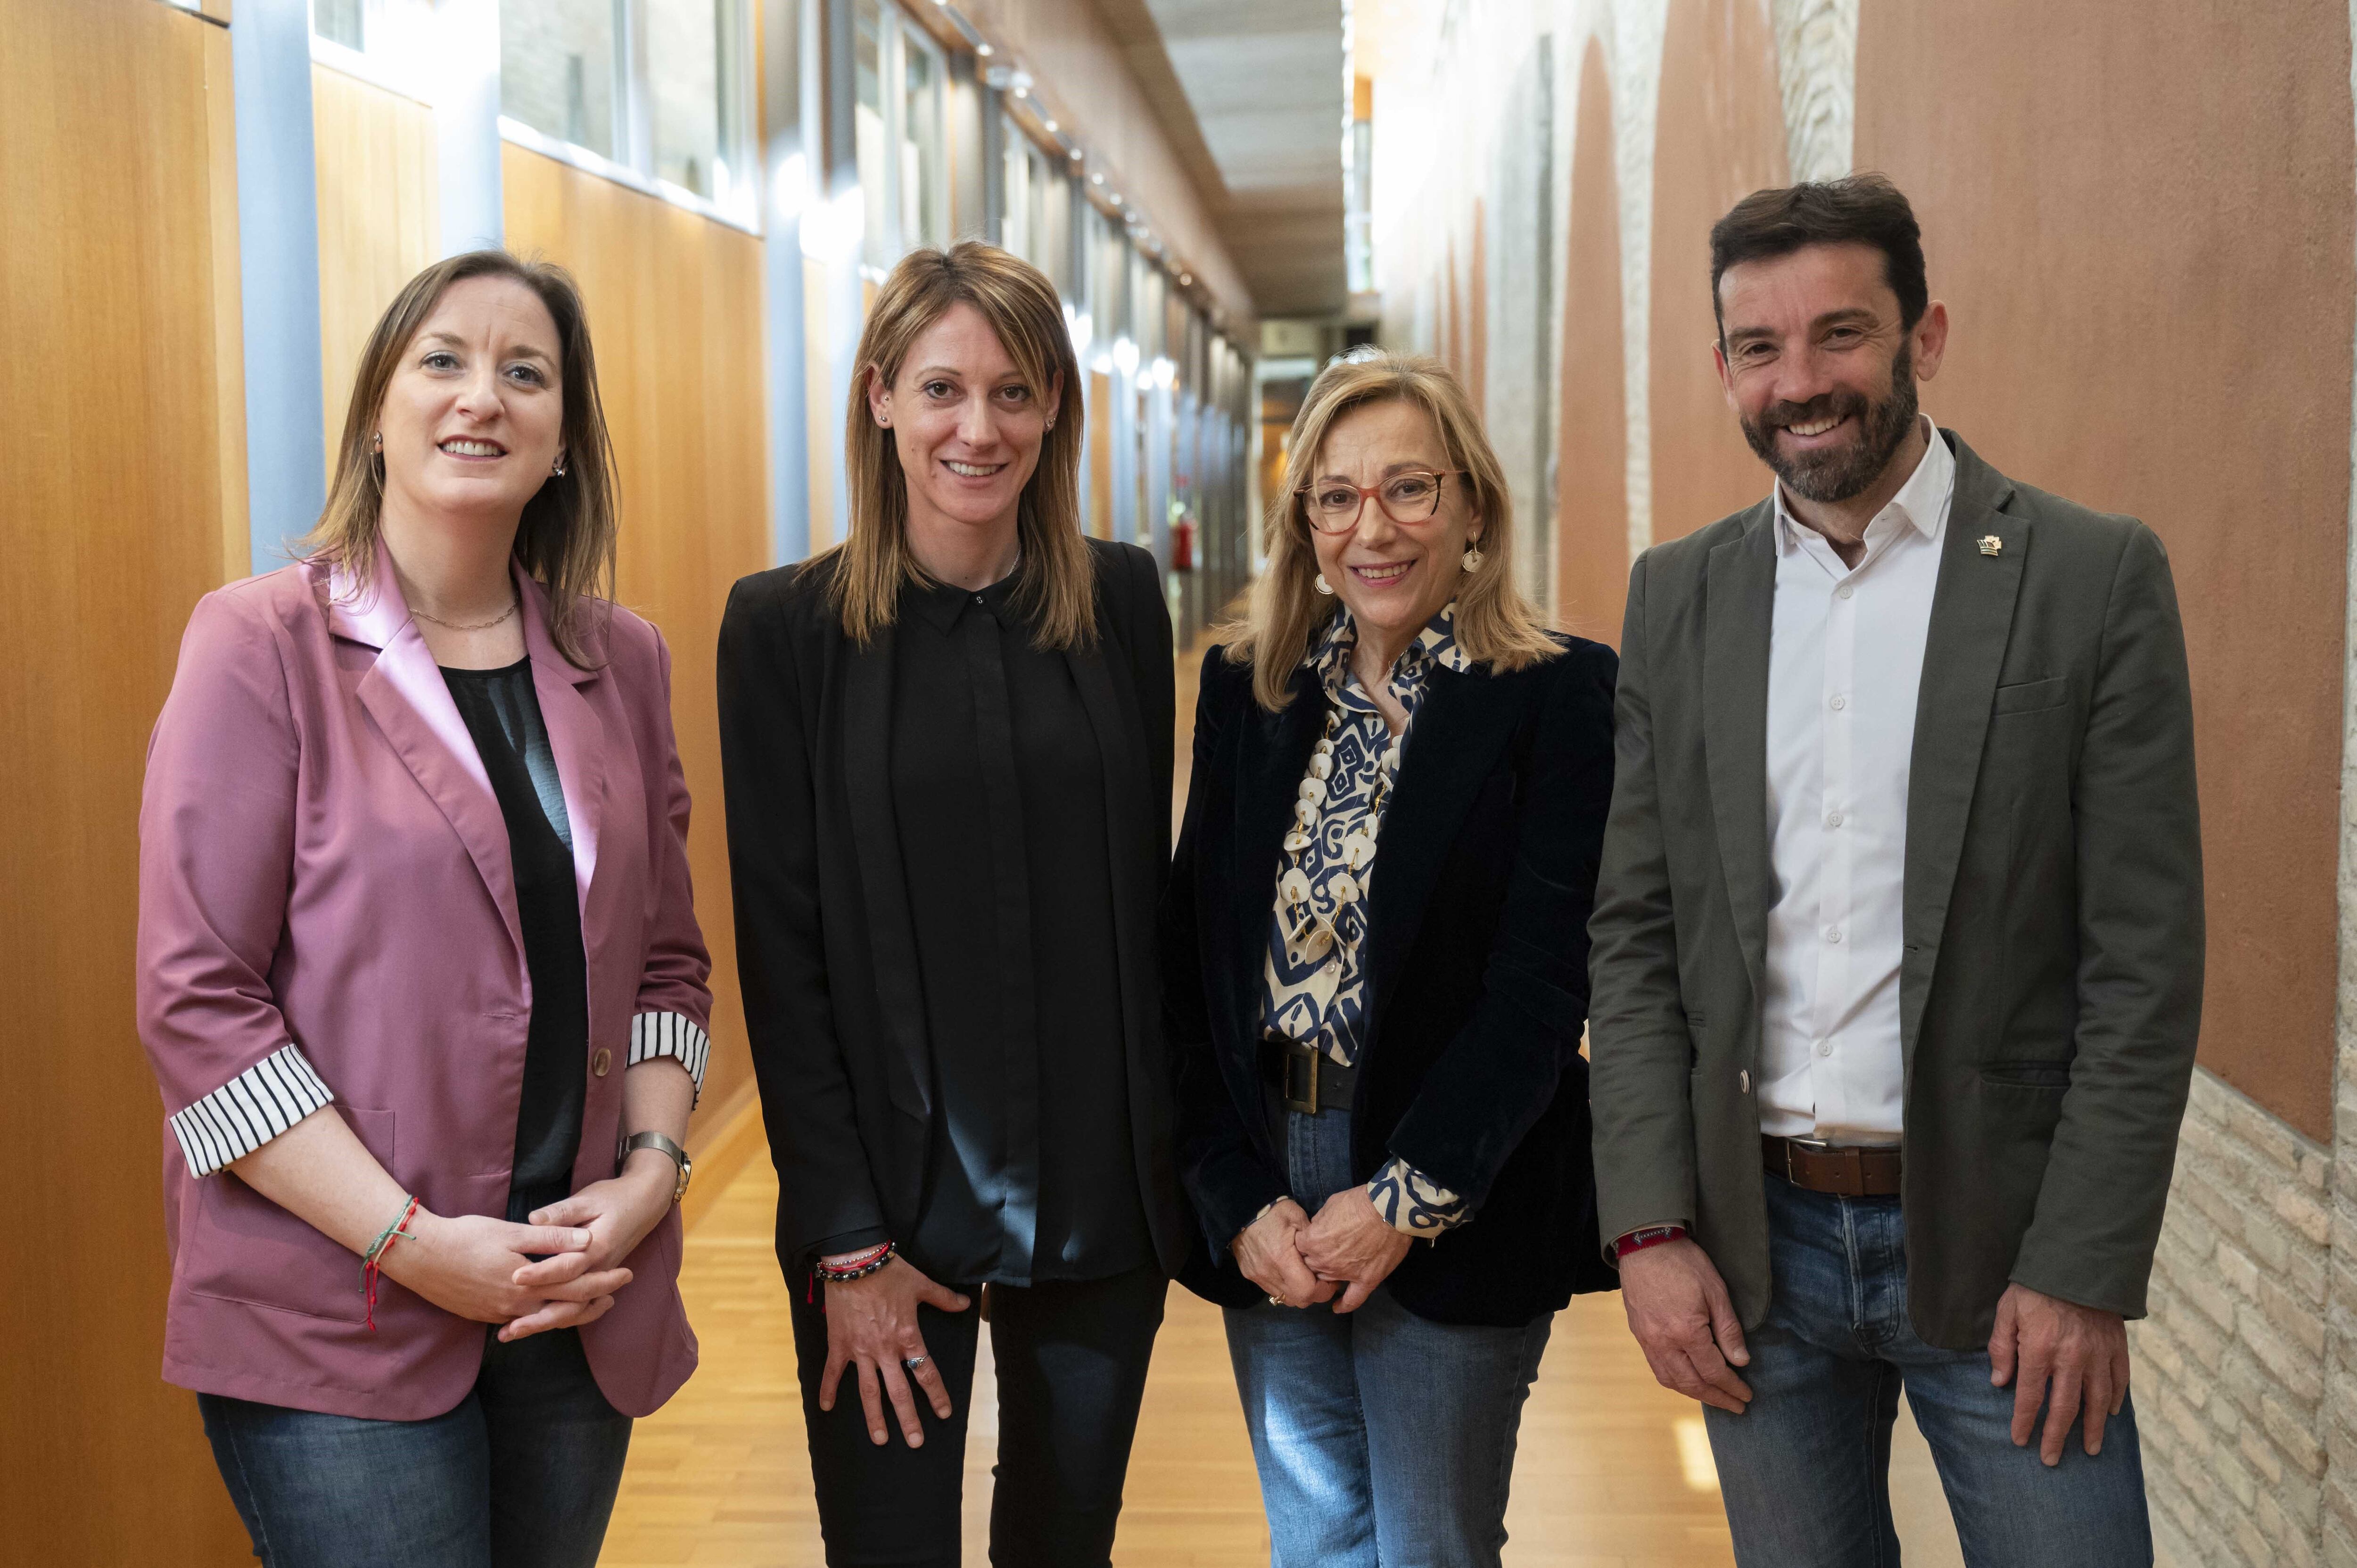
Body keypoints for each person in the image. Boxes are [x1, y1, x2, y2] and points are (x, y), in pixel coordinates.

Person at [1587, 174, 2201, 1566]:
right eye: (1758, 348)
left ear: (1925, 339)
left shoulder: (2088, 579)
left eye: (1840, 335)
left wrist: (2083, 1267)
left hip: (2004, 1256)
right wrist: (1647, 1229)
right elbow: (1635, 936)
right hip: (1759, 1257)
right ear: (1726, 368)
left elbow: (2143, 966)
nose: (1799, 382)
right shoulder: (1680, 598)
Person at [137, 250, 715, 1568]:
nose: (482, 398)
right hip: (333, 1304)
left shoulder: (618, 659)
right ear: (378, 413)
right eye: (443, 361)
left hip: (575, 1291)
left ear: (566, 440)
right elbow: (194, 1004)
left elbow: (668, 970)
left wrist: (649, 1175)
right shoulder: (260, 645)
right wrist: (411, 1243)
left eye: (527, 373)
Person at [716, 241, 1187, 1567]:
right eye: (941, 390)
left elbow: (1144, 914)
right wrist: (846, 1240)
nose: (979, 428)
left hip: (1099, 1201)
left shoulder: (1123, 602)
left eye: (1016, 392)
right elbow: (782, 948)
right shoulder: (786, 632)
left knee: (1063, 1550)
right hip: (887, 1213)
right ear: (879, 399)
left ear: (1055, 413)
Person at [1164, 349, 1621, 1568]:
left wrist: (1407, 1200)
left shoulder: (1556, 695)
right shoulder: (1245, 691)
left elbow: (1541, 987)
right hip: (1272, 1174)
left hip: (1453, 1183)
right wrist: (1231, 1194)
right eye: (1337, 496)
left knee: (1432, 1548)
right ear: (1304, 522)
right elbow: (1191, 969)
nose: (1374, 528)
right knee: (1315, 1546)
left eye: (1410, 489)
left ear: (1473, 504)